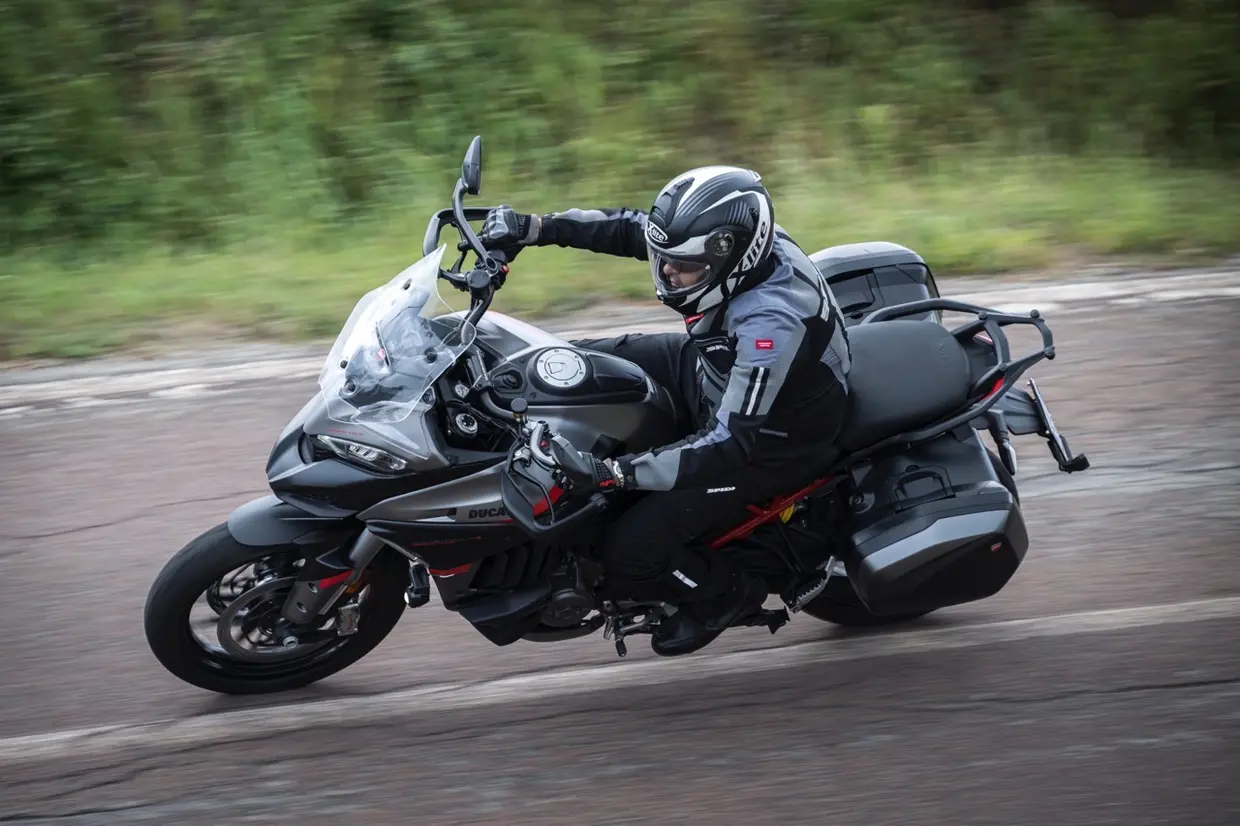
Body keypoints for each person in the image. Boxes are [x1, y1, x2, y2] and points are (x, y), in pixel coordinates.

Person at [478, 166, 852, 657]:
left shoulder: (771, 326)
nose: (667, 273)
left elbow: (727, 443)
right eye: (664, 259)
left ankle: (724, 595)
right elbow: (630, 228)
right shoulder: (739, 247)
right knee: (563, 366)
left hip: (769, 445)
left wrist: (613, 473)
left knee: (630, 551)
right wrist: (535, 228)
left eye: (683, 266)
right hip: (712, 371)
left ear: (731, 259)